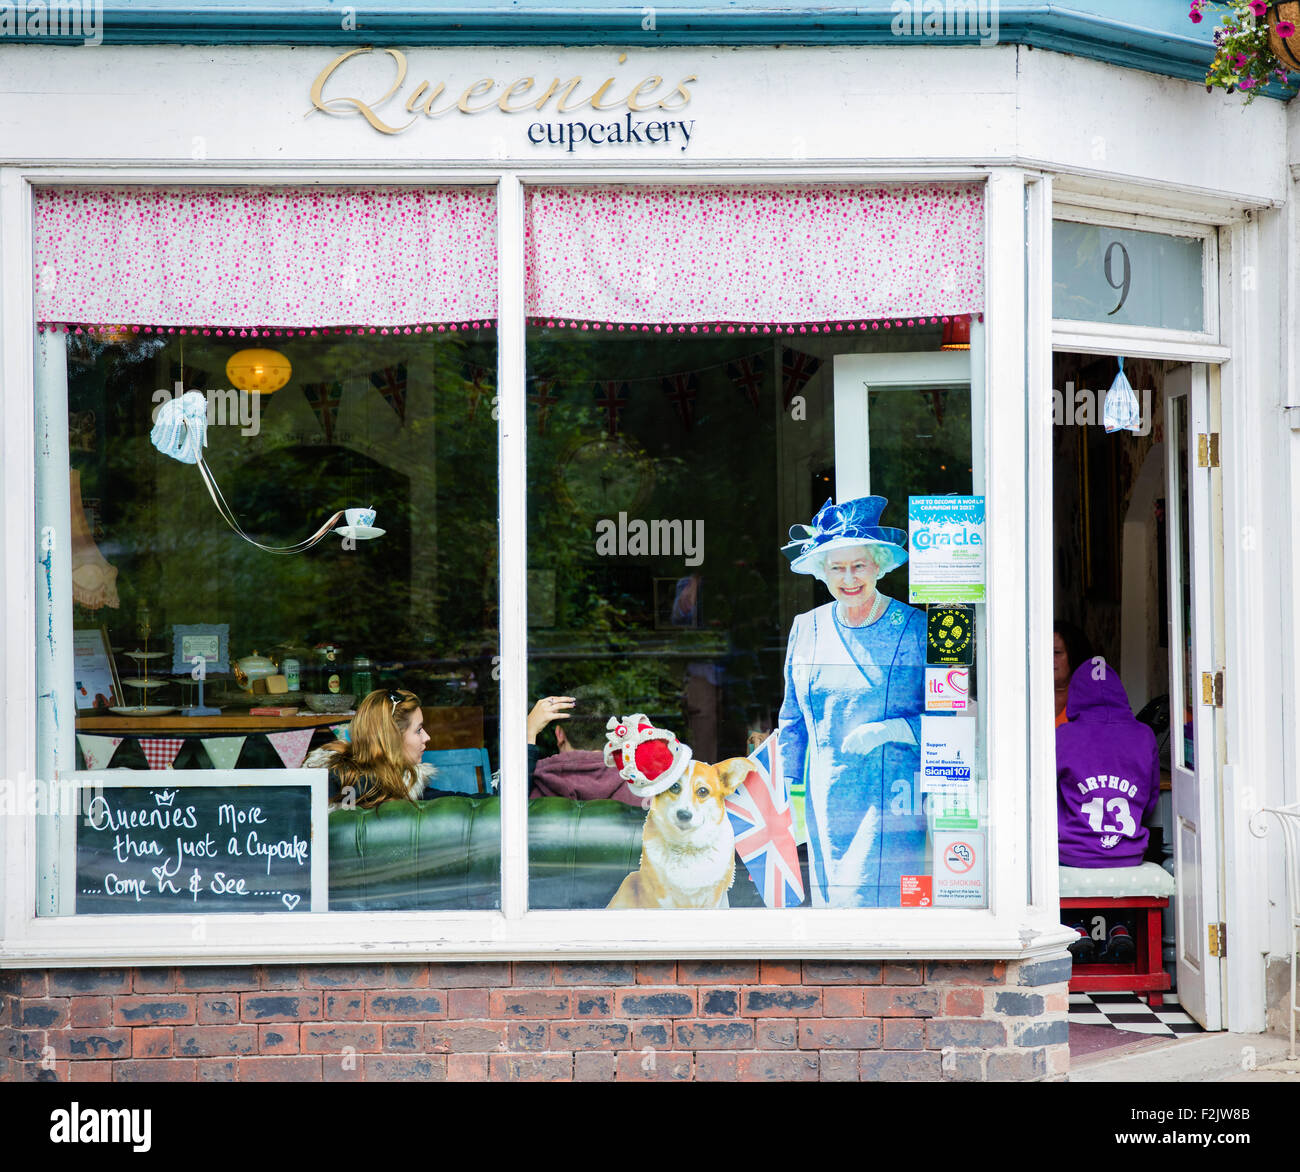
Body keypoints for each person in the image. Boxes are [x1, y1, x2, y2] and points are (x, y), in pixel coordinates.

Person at [778, 496, 926, 908]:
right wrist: (786, 790)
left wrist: (893, 729)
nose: (849, 578)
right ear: (821, 571)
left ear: (879, 564)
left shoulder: (913, 628)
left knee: (882, 917)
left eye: (858, 565)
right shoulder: (805, 628)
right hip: (826, 800)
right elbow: (792, 717)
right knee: (833, 916)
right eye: (836, 567)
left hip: (892, 801)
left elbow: (953, 715)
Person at [1056, 659, 1159, 869]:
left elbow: (1045, 799)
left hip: (1073, 854)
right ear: (1120, 694)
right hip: (1129, 854)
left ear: (1075, 696)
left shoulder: (1063, 737)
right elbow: (1150, 800)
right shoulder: (1144, 735)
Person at [306, 688, 433, 808]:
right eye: (418, 730)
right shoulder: (345, 785)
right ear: (392, 739)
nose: (427, 737)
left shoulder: (405, 780)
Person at [527, 686, 640, 805]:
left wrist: (528, 734)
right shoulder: (642, 791)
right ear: (617, 736)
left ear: (559, 734)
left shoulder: (523, 787)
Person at [1053, 620, 1093, 728]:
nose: (1050, 659)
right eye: (1045, 652)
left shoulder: (1088, 703)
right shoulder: (1027, 698)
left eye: (1056, 652)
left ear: (1074, 655)